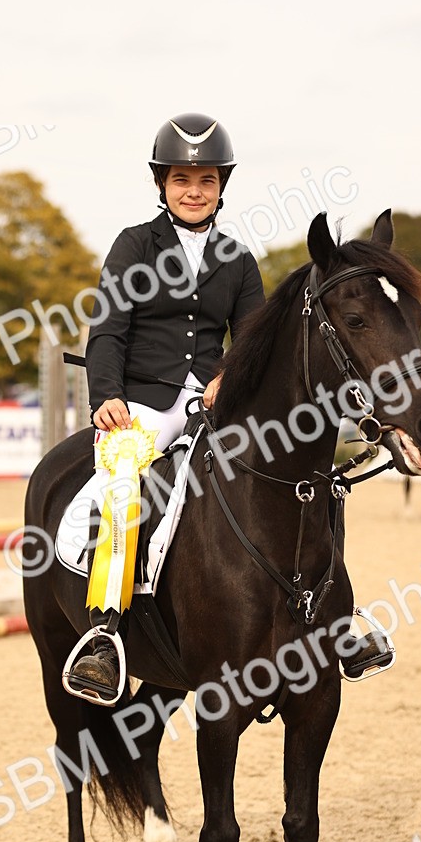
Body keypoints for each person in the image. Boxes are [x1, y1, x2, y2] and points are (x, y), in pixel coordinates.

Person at [65, 112, 265, 701]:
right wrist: (105, 397)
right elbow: (108, 329)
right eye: (182, 179)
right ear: (162, 184)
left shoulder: (237, 258)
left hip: (211, 403)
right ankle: (105, 634)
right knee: (124, 483)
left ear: (221, 186)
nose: (194, 191)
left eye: (206, 180)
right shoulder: (134, 244)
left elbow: (251, 339)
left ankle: (326, 609)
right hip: (142, 404)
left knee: (283, 465)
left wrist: (228, 375)